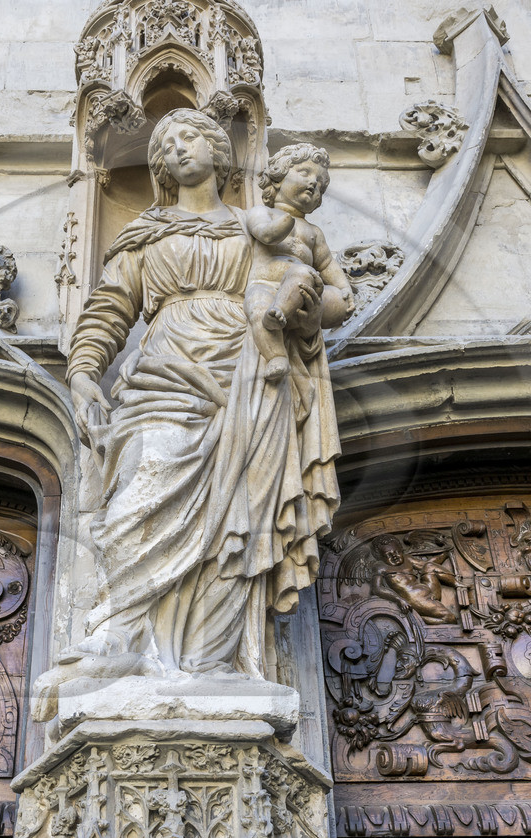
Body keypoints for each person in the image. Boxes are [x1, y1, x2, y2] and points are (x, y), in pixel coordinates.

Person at [60, 108, 352, 682]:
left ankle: (208, 659)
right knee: (141, 492)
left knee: (240, 517)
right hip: (166, 371)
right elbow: (111, 308)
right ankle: (121, 630)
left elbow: (321, 296)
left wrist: (301, 308)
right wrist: (84, 371)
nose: (176, 149)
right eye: (165, 144)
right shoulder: (145, 235)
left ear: (220, 153)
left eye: (189, 137)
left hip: (249, 371)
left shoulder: (261, 226)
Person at [242, 143, 346, 384]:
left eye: (320, 183)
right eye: (305, 173)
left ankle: (283, 312)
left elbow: (327, 263)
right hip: (264, 284)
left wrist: (344, 289)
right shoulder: (262, 212)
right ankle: (276, 356)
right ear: (277, 178)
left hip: (301, 285)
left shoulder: (314, 231)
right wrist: (282, 224)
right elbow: (265, 234)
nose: (314, 183)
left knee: (306, 276)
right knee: (257, 310)